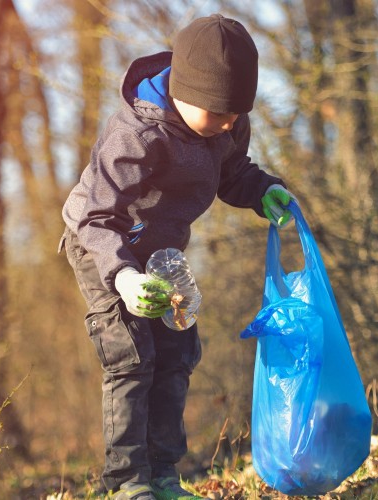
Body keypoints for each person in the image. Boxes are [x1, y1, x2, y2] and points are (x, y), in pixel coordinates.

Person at [60, 13, 295, 500]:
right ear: (185, 93)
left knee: (177, 350)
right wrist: (122, 276)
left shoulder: (227, 124)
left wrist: (263, 190)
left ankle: (164, 475)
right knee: (131, 353)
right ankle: (128, 482)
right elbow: (98, 219)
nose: (230, 123)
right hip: (102, 242)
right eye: (220, 112)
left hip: (161, 250)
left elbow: (232, 172)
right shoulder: (137, 137)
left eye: (237, 113)